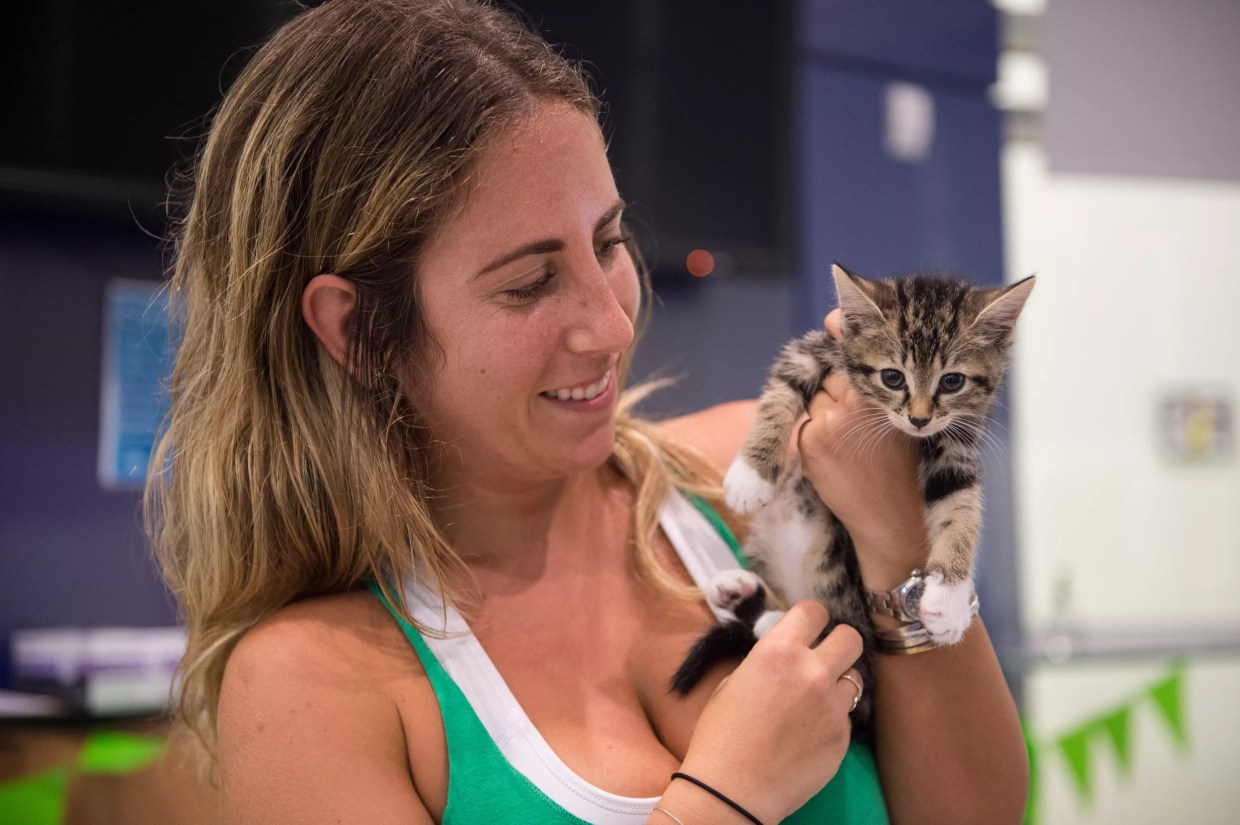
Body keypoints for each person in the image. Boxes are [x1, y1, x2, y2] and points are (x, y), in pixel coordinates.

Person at [147, 1, 1029, 822]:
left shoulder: (758, 479)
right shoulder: (308, 687)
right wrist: (724, 798)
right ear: (360, 330)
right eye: (529, 283)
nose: (613, 322)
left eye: (608, 241)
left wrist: (898, 540)